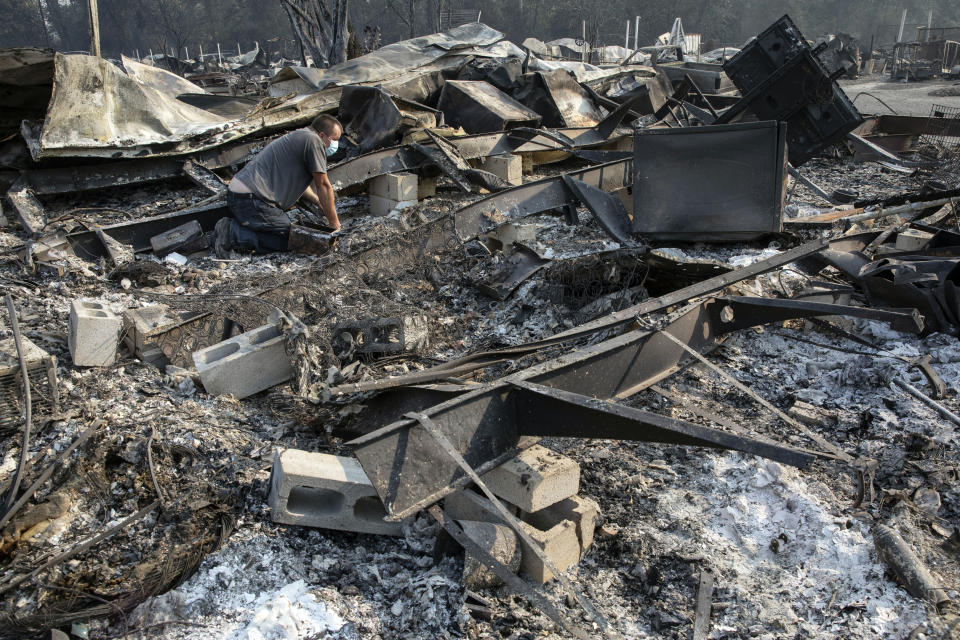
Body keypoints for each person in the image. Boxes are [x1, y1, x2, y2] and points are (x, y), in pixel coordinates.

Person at [214, 114, 343, 256]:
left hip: (242, 195)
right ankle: (233, 233)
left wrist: (317, 201)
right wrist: (334, 223)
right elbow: (323, 185)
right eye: (334, 140)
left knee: (292, 233)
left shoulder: (301, 136)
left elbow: (298, 181)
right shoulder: (313, 140)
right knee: (295, 240)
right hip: (251, 200)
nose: (335, 145)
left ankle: (242, 228)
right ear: (322, 135)